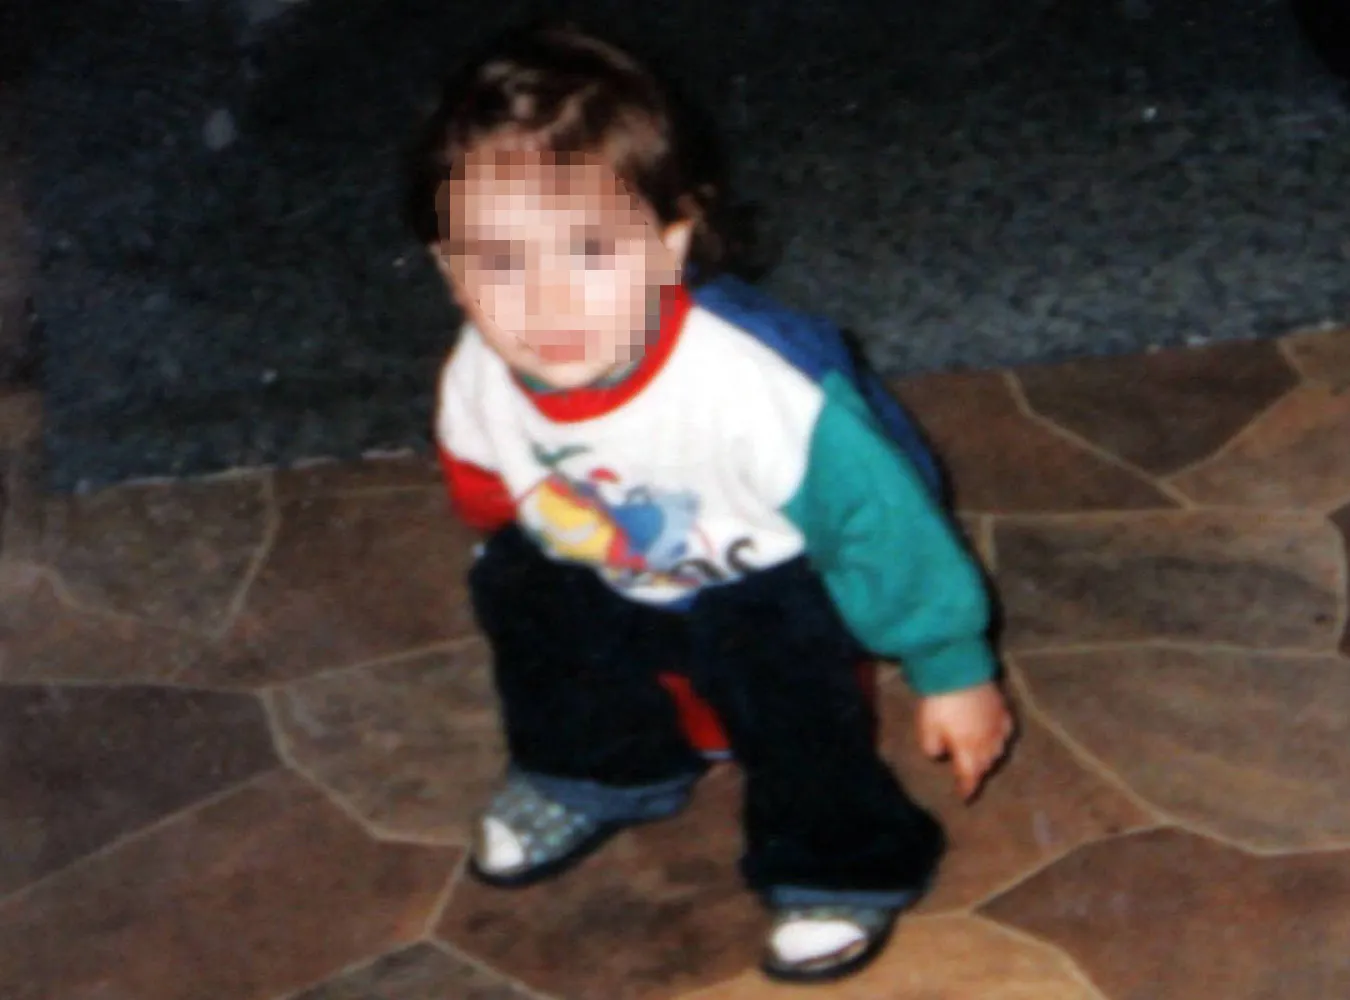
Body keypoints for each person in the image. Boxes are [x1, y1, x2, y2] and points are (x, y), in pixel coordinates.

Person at [406, 21, 1015, 984]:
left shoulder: (750, 387)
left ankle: (837, 865)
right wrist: (513, 551)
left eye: (588, 251)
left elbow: (883, 527)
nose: (546, 301)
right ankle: (600, 769)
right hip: (605, 557)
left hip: (767, 578)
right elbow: (480, 475)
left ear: (670, 243)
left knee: (793, 699)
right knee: (520, 586)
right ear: (450, 271)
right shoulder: (481, 368)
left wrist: (951, 666)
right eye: (500, 262)